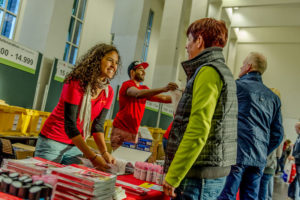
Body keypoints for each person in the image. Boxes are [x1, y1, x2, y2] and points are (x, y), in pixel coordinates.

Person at [163, 18, 238, 199]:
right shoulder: (221, 70)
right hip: (208, 172)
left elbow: (198, 129)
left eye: (189, 40)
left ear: (199, 40)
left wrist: (173, 176)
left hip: (199, 177)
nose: (187, 46)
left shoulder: (208, 71)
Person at [35, 43, 120, 171]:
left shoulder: (109, 92)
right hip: (52, 141)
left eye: (116, 63)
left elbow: (97, 126)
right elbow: (70, 126)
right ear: (97, 60)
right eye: (110, 60)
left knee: (69, 185)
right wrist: (92, 157)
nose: (114, 66)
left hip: (76, 145)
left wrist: (104, 153)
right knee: (43, 182)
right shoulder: (76, 82)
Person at [218, 52, 284, 200]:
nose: (241, 67)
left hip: (235, 154)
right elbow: (278, 134)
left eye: (242, 64)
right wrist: (262, 150)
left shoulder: (236, 87)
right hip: (258, 159)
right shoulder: (273, 98)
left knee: (226, 195)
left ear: (248, 67)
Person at [111, 61, 178, 150]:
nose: (144, 72)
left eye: (144, 70)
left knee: (128, 161)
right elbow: (138, 94)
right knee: (118, 161)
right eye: (140, 69)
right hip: (121, 130)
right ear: (132, 72)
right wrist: (164, 88)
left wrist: (181, 96)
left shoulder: (144, 89)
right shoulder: (127, 84)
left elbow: (164, 98)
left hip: (133, 132)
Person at [258, 88, 282, 200]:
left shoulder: (272, 116)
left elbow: (278, 138)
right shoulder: (275, 116)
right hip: (268, 163)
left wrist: (263, 153)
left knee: (262, 192)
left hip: (266, 163)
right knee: (265, 192)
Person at [287, 122, 300, 200]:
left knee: (297, 182)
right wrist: (294, 145)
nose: (295, 130)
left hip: (298, 162)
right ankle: (291, 196)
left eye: (295, 128)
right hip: (296, 163)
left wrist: (295, 157)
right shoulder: (298, 137)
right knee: (293, 179)